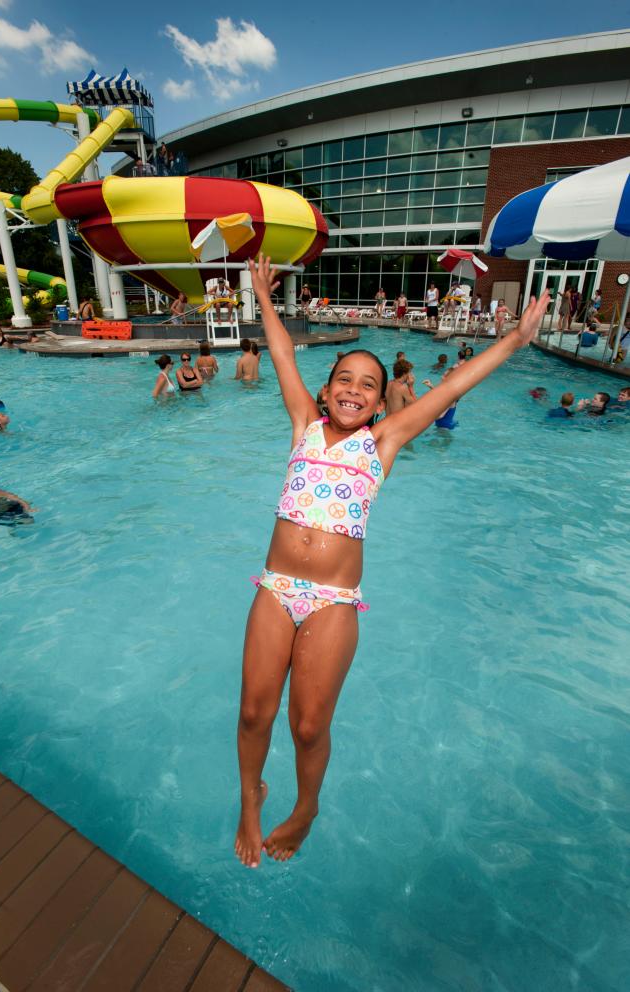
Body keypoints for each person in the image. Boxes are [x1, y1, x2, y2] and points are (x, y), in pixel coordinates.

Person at [234, 254, 550, 868]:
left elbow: (454, 385)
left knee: (306, 726)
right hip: (276, 587)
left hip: (333, 601)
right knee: (253, 710)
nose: (353, 388)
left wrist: (513, 340)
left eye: (367, 384)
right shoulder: (303, 422)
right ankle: (249, 800)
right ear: (325, 391)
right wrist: (266, 300)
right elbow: (281, 355)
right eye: (343, 379)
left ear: (381, 404)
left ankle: (307, 807)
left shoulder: (383, 442)